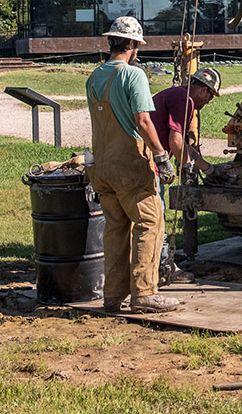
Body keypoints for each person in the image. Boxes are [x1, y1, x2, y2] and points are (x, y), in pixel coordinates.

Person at [85, 16, 179, 315]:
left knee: (115, 228)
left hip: (102, 167)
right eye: (137, 45)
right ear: (132, 44)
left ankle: (112, 295)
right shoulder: (133, 75)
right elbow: (143, 120)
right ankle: (144, 293)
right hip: (129, 166)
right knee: (150, 223)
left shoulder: (94, 76)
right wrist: (162, 156)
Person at [150, 66, 221, 279]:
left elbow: (185, 147)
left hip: (141, 161)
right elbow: (176, 141)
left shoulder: (176, 94)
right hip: (150, 166)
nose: (208, 101)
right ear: (204, 90)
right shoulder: (186, 100)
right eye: (210, 96)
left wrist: (209, 169)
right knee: (157, 217)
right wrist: (187, 167)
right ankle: (164, 266)